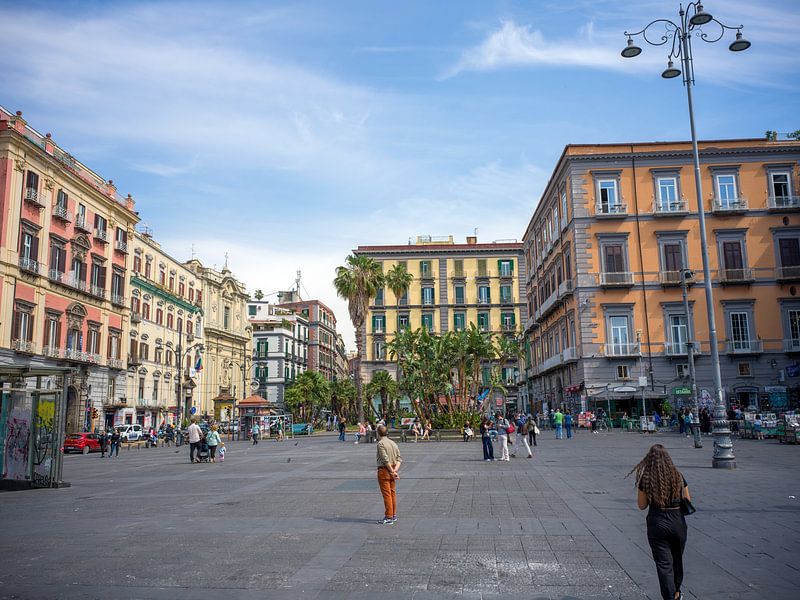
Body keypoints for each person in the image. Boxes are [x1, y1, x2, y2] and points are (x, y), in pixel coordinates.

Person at [628, 444, 691, 600]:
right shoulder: (678, 476)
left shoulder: (646, 479)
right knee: (677, 559)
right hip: (677, 521)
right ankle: (677, 592)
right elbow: (688, 500)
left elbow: (642, 506)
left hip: (657, 522)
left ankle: (671, 596)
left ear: (649, 460)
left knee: (664, 565)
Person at [375, 425, 402, 525]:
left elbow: (385, 459)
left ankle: (389, 516)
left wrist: (391, 471)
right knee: (392, 493)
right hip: (393, 469)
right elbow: (399, 458)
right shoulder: (393, 443)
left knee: (387, 494)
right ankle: (393, 514)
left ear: (378, 433)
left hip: (384, 470)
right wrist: (395, 471)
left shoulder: (381, 443)